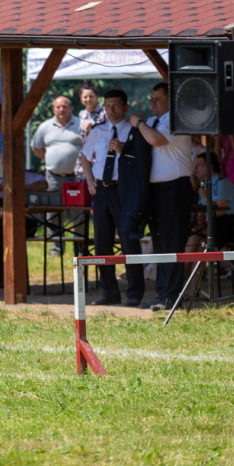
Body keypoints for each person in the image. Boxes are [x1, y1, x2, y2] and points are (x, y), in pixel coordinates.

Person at [130, 82, 194, 311]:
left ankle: (172, 295)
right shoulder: (155, 122)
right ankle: (162, 294)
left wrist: (138, 123)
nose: (152, 102)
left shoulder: (176, 120)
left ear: (170, 100)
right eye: (151, 98)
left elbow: (156, 140)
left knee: (172, 243)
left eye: (157, 98)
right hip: (156, 191)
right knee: (159, 243)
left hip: (174, 189)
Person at [80, 88, 145, 306]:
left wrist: (123, 149)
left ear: (126, 107)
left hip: (123, 190)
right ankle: (109, 292)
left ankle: (135, 293)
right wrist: (89, 180)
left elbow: (139, 159)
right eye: (108, 106)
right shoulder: (98, 131)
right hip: (101, 190)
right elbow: (85, 156)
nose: (112, 110)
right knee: (102, 242)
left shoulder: (133, 130)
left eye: (116, 105)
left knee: (128, 241)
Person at [0, 171, 47, 288]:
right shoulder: (4, 179)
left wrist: (18, 188)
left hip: (26, 221)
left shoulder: (31, 176)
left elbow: (44, 185)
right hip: (5, 220)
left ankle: (2, 279)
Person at [31, 96, 84, 257]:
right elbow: (36, 146)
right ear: (54, 109)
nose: (61, 109)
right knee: (53, 213)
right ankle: (56, 249)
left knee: (79, 213)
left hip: (76, 178)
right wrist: (51, 159)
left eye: (65, 106)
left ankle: (81, 248)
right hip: (53, 178)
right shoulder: (45, 126)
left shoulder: (81, 124)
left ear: (71, 108)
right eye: (58, 107)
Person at [186, 152, 234, 253]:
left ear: (209, 167)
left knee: (195, 232)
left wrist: (204, 196)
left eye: (199, 165)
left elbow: (220, 212)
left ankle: (183, 267)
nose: (195, 169)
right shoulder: (204, 185)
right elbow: (200, 215)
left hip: (228, 225)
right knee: (201, 242)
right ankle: (194, 269)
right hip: (213, 224)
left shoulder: (222, 182)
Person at [75, 81, 107, 181]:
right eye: (85, 97)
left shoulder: (104, 112)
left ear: (97, 96)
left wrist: (91, 130)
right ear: (81, 98)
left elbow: (108, 135)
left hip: (100, 157)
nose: (88, 99)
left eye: (91, 96)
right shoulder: (81, 114)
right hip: (84, 159)